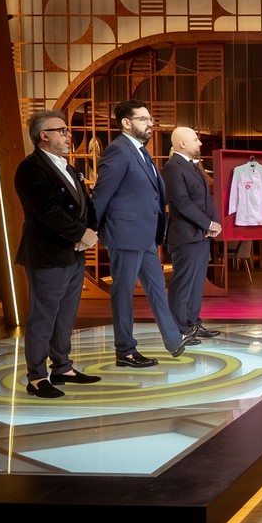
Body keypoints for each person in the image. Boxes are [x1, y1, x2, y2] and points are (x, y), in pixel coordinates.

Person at [92, 99, 191, 368]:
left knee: (157, 288)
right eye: (144, 119)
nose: (150, 124)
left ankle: (174, 339)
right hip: (125, 234)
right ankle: (125, 351)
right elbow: (102, 193)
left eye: (150, 119)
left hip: (145, 235)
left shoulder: (140, 151)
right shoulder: (118, 151)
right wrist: (89, 229)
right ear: (126, 123)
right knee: (123, 293)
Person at [14, 110, 102, 398]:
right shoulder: (31, 168)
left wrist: (90, 233)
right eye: (62, 130)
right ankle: (37, 377)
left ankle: (63, 367)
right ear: (44, 135)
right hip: (47, 253)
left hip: (74, 252)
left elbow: (87, 204)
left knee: (66, 314)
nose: (68, 135)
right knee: (43, 316)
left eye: (67, 130)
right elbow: (47, 211)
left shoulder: (68, 166)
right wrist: (80, 234)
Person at [163, 126, 223, 343]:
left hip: (201, 235)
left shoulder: (194, 165)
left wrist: (215, 223)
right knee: (183, 284)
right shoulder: (172, 167)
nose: (200, 143)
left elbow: (206, 198)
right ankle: (179, 329)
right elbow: (182, 203)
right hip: (185, 235)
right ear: (182, 143)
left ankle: (193, 324)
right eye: (196, 139)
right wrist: (208, 223)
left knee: (197, 284)